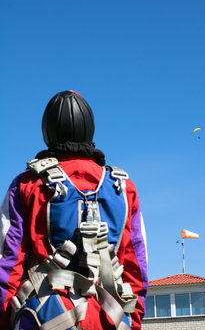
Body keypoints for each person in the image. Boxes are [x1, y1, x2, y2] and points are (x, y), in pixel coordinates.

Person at [0, 90, 148, 330]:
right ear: (89, 128)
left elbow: (7, 263)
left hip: (43, 319)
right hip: (111, 320)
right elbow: (136, 265)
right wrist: (133, 321)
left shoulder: (26, 184)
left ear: (48, 132)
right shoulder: (124, 188)